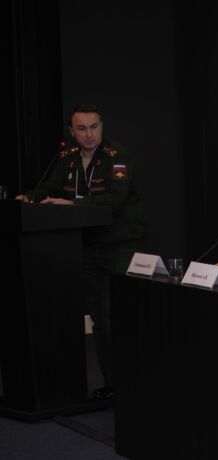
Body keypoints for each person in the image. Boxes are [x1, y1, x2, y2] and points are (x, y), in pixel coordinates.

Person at [17, 104, 147, 399]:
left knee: (114, 316)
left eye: (93, 127)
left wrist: (72, 205)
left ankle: (129, 384)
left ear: (102, 127)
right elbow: (49, 187)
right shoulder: (68, 157)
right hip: (86, 246)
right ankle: (111, 385)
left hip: (119, 244)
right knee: (98, 318)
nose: (89, 134)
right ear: (72, 131)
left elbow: (114, 200)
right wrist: (28, 198)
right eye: (81, 128)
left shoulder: (117, 156)